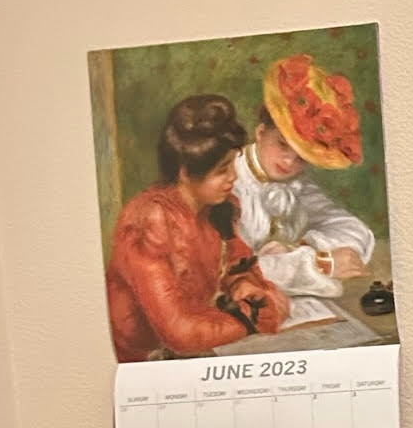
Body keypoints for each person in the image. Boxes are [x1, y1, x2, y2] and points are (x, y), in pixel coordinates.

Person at [105, 95, 290, 361]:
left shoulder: (220, 208)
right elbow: (179, 333)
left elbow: (240, 266)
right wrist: (251, 319)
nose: (234, 177)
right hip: (145, 363)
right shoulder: (150, 221)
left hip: (201, 349)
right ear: (185, 172)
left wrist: (246, 288)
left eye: (233, 165)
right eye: (222, 169)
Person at [230, 54, 375, 306]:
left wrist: (304, 245)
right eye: (282, 145)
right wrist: (320, 263)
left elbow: (357, 231)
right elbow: (230, 272)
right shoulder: (227, 180)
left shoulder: (296, 184)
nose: (289, 163)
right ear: (261, 132)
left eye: (302, 157)